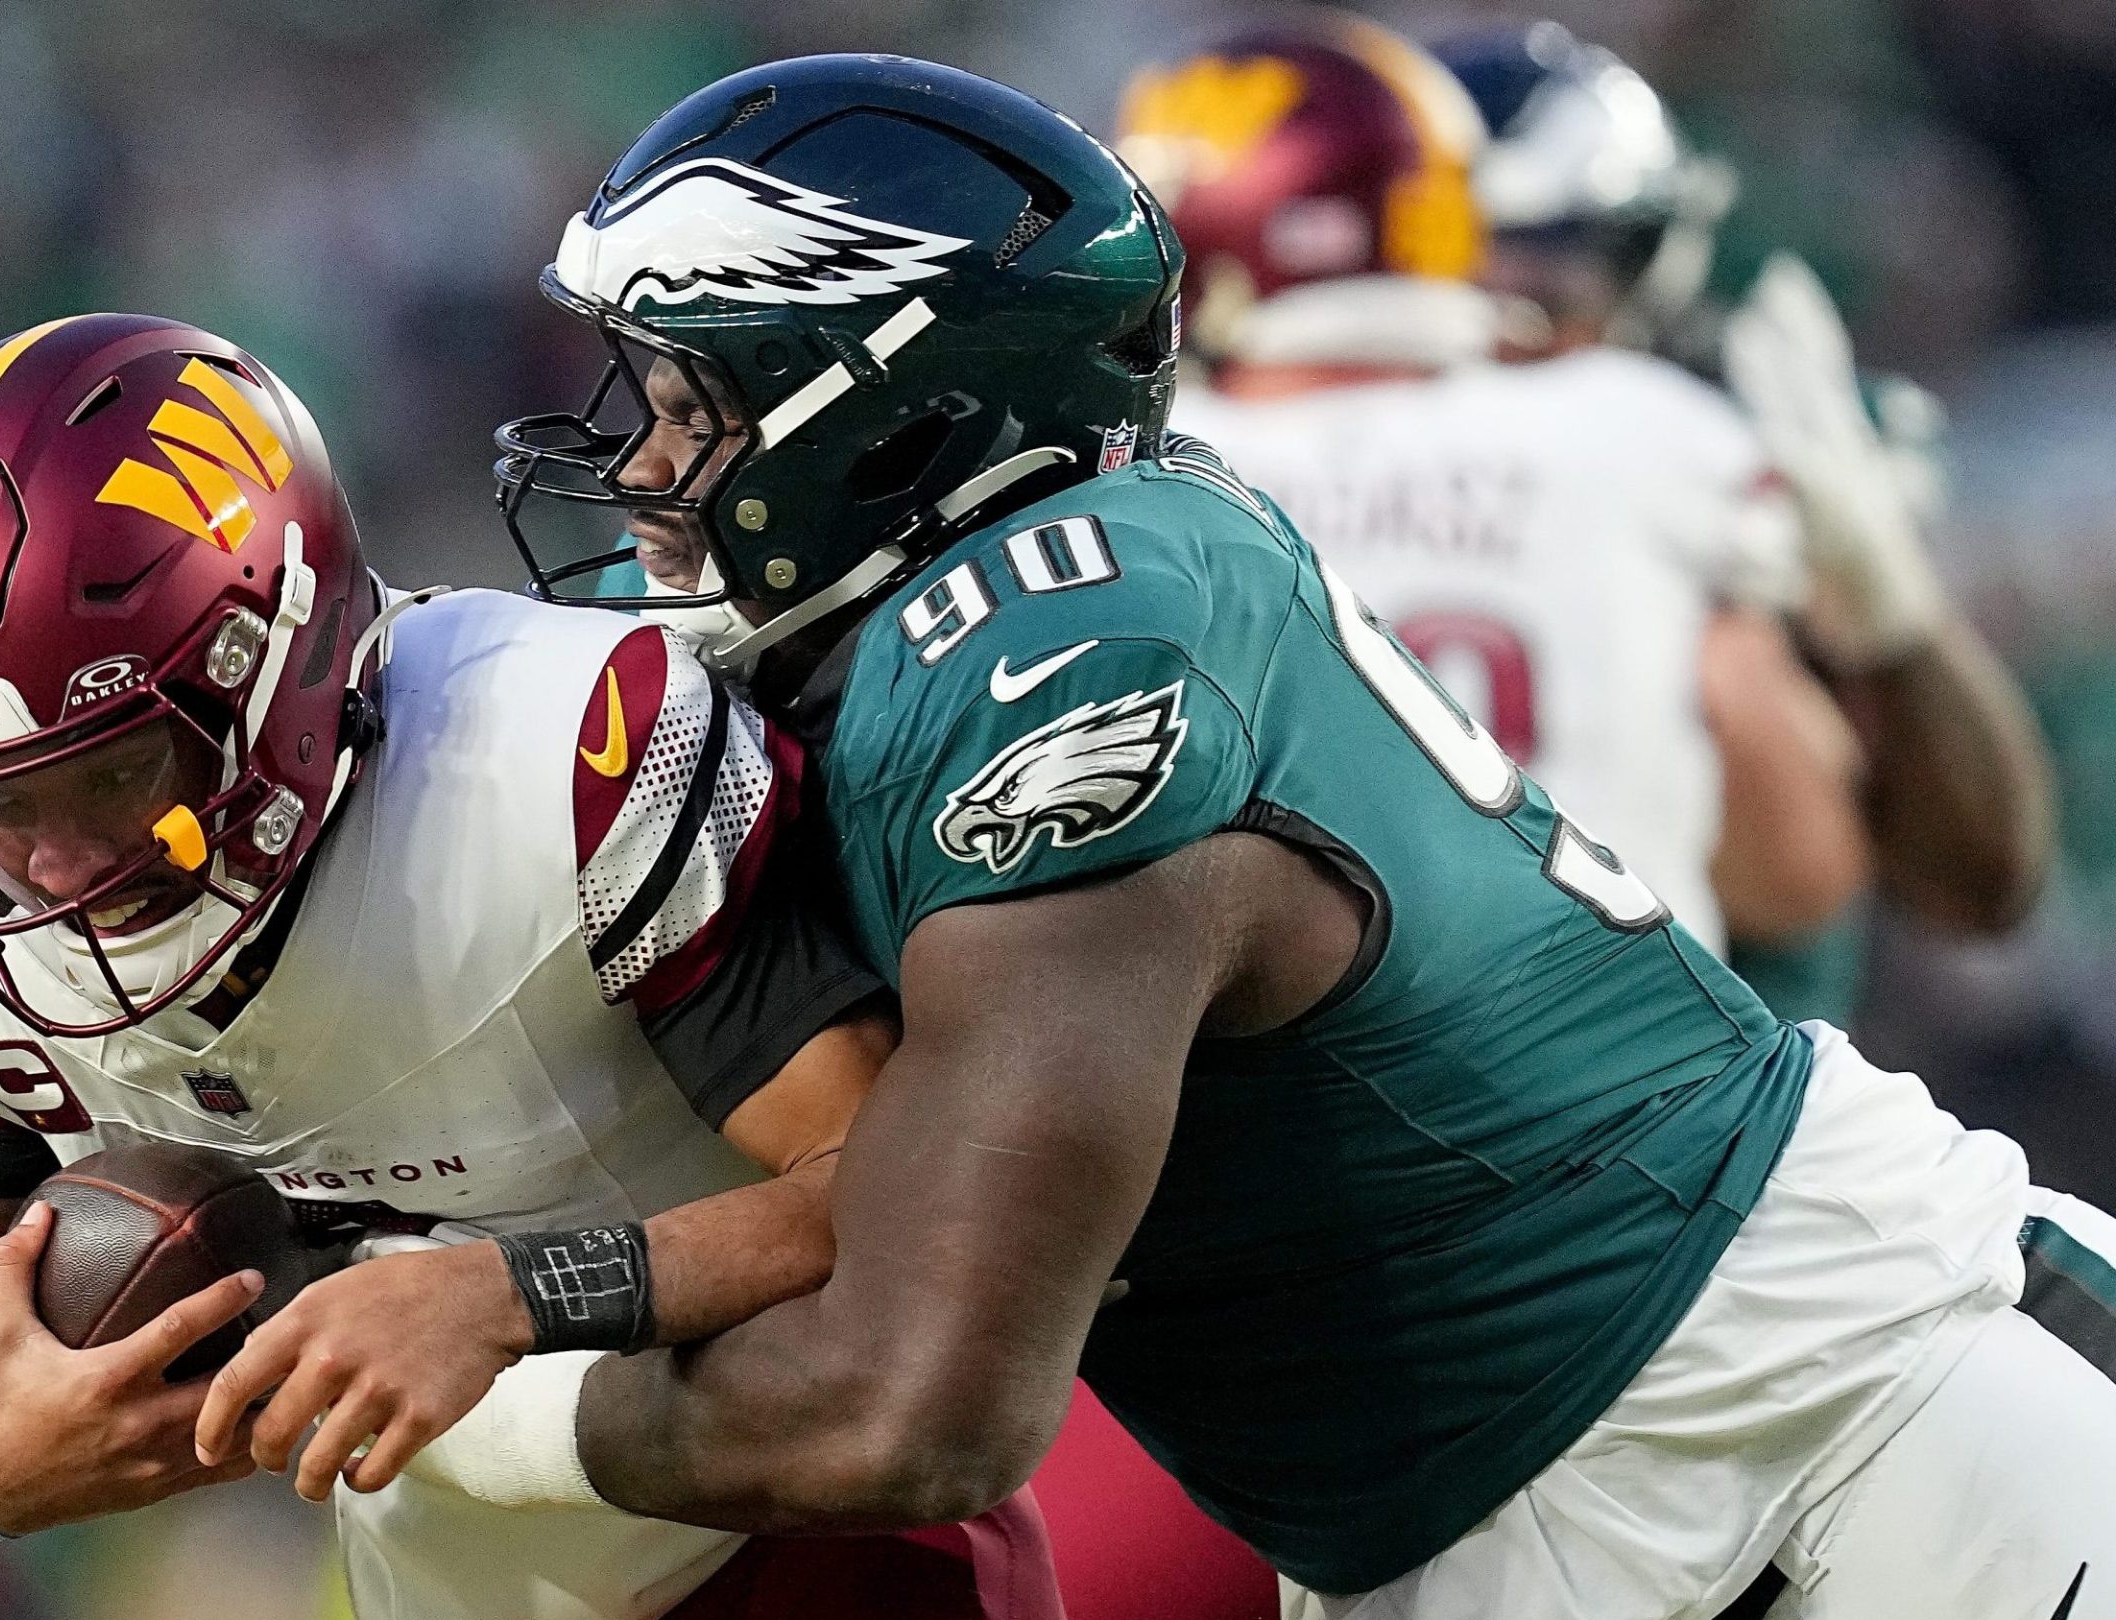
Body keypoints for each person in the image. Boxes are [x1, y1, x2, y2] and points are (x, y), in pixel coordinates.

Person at [222, 52, 2116, 1620]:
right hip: (1482, 1525)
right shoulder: (927, 631)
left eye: (695, 402)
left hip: (1831, 1418)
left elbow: (919, 1411)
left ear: (892, 426)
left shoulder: (1061, 663)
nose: (633, 463)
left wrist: (480, 1409)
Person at [0, 310, 1062, 1620]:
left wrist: (512, 1294)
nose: (57, 869)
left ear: (276, 661)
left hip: (811, 1559)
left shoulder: (554, 764)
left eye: (113, 775)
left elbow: (896, 1190)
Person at [1133, 15, 1866, 960]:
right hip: (1631, 1057)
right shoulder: (1645, 426)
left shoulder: (1149, 480)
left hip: (1288, 1069)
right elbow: (1803, 874)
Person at [1440, 21, 2056, 1019]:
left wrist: (1891, 615)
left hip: (1724, 1090)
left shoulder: (1733, 450)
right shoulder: (1281, 464)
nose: (1507, 324)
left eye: (1548, 282)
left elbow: (1984, 883)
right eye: (1468, 279)